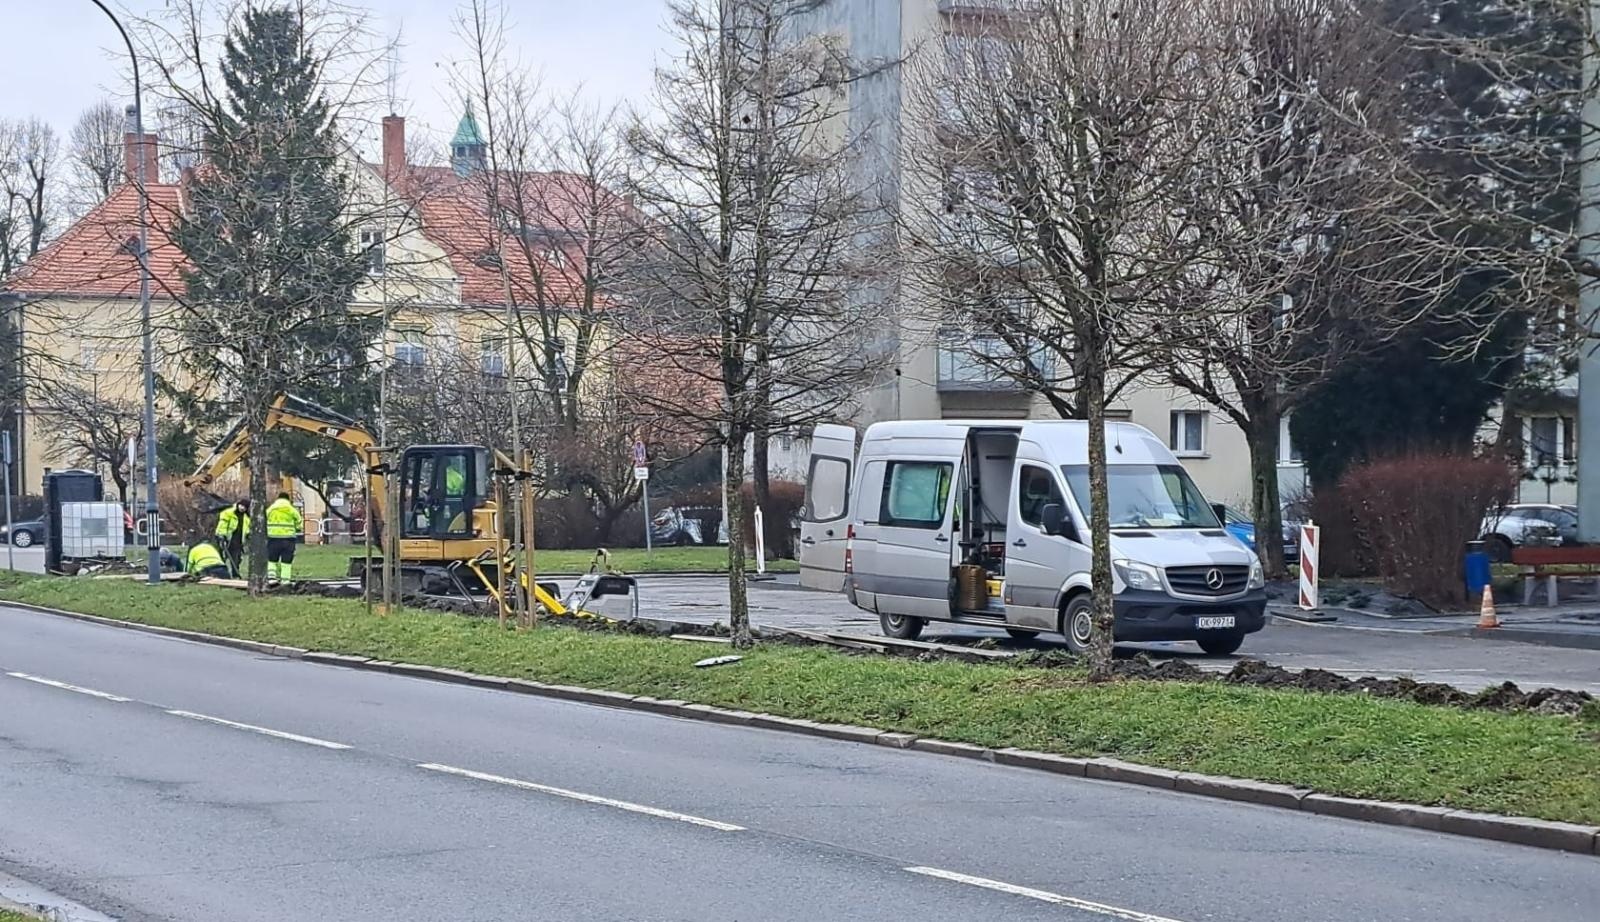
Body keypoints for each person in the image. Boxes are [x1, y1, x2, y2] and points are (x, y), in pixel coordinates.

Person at [264, 491, 304, 583]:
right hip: (288, 539)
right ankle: (285, 580)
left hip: (273, 538)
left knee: (272, 559)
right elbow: (299, 523)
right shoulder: (291, 509)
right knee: (286, 561)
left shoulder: (271, 509)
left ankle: (271, 578)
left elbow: (264, 519)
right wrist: (297, 529)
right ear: (288, 499)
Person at [215, 500, 250, 578]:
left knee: (236, 560)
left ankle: (235, 575)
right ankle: (220, 574)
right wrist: (221, 536)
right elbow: (222, 525)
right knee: (222, 558)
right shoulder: (228, 512)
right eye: (241, 505)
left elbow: (246, 529)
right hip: (226, 539)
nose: (242, 508)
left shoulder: (246, 517)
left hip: (238, 541)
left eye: (244, 507)